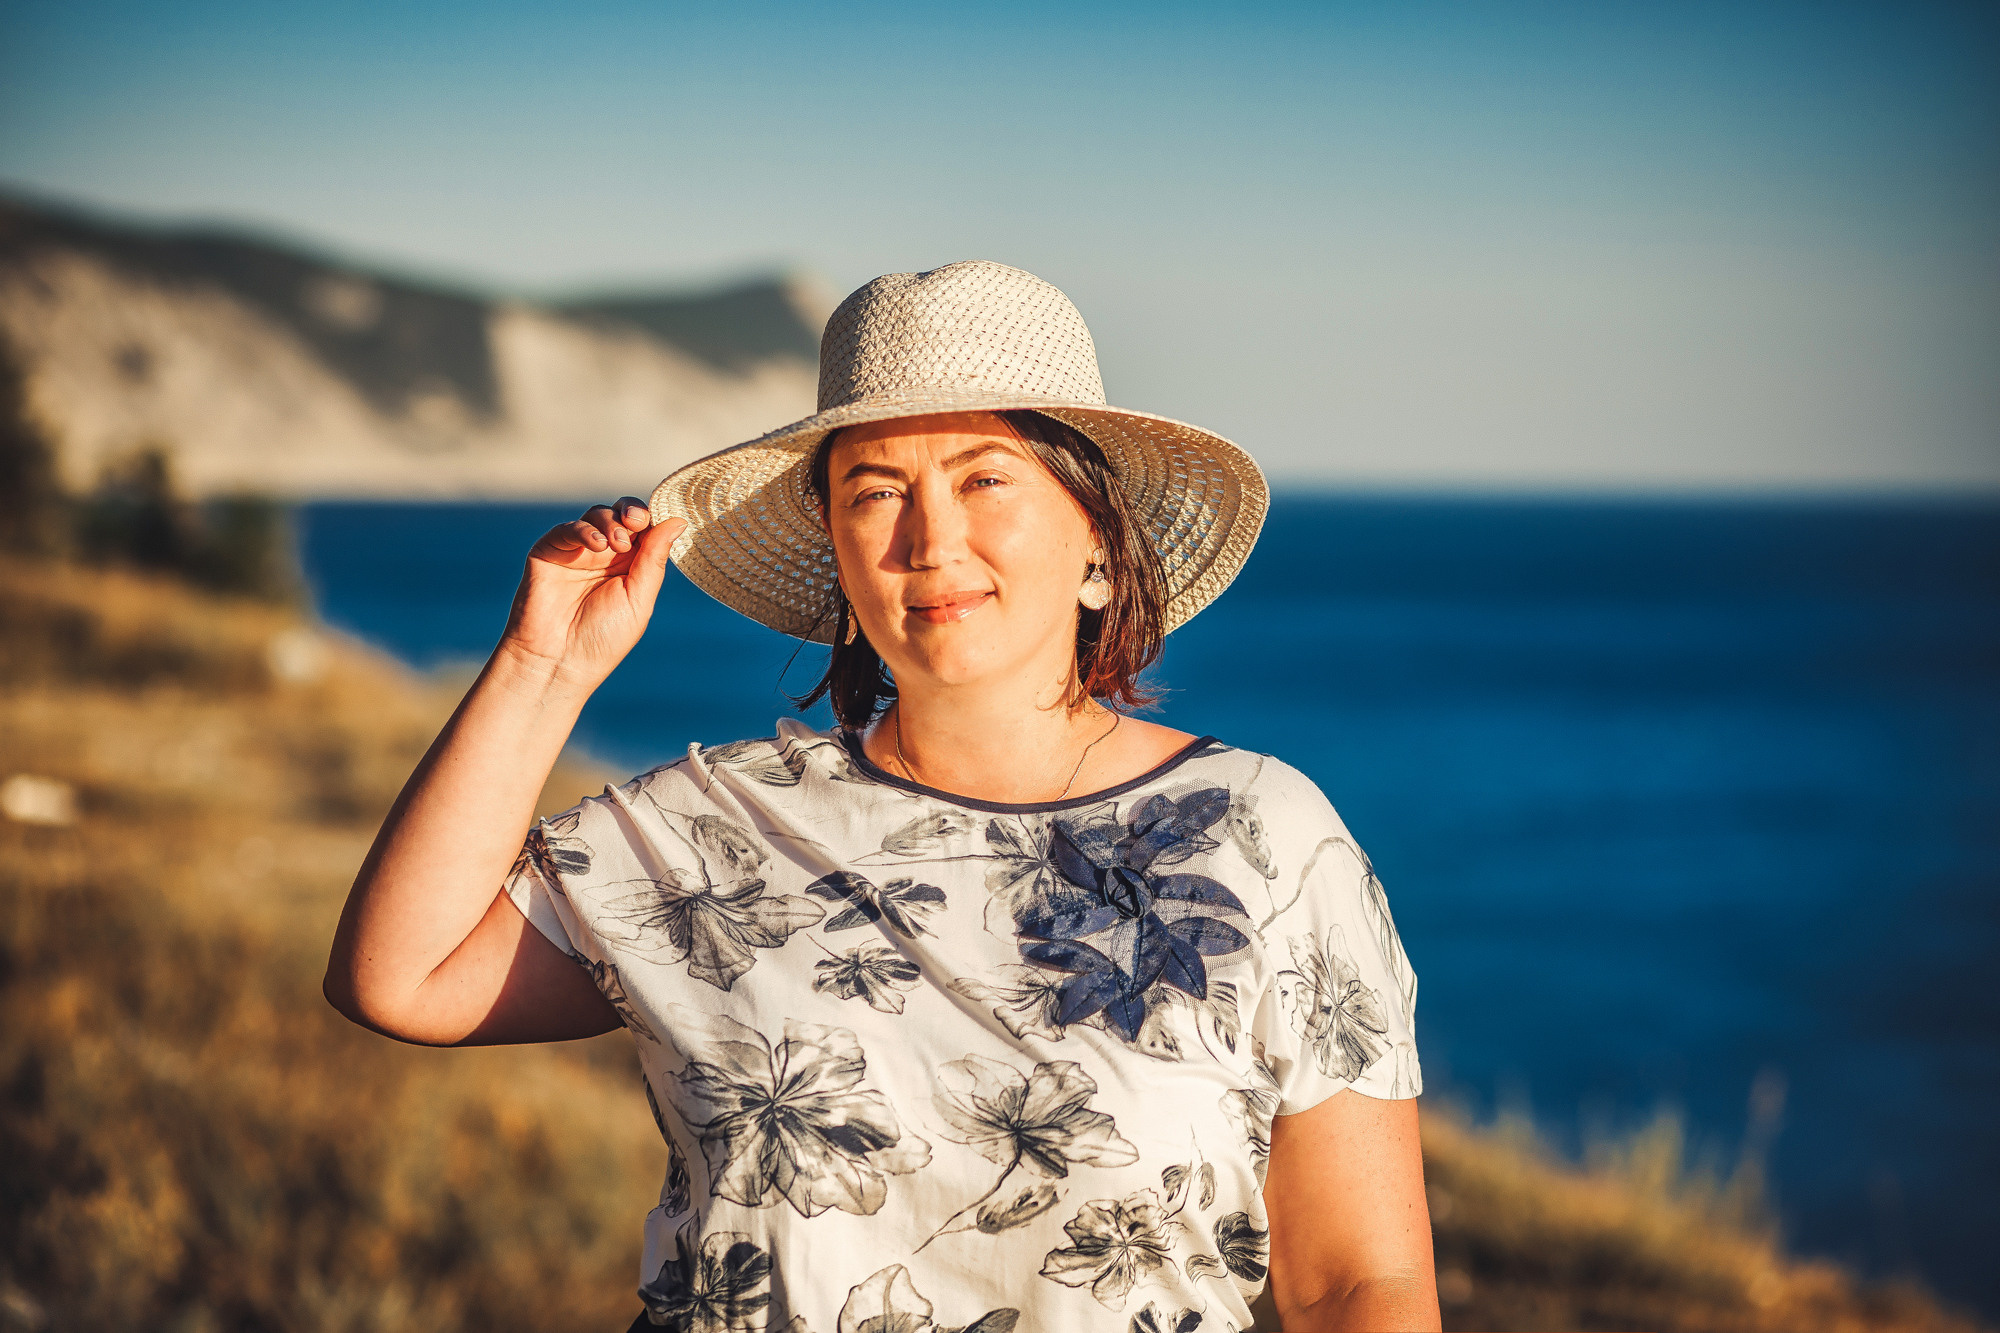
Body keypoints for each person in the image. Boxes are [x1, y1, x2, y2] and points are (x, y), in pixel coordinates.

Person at [325, 261, 1439, 1332]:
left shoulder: (1265, 839)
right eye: (876, 492)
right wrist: (542, 667)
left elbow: (1359, 1280)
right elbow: (399, 976)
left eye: (984, 478)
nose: (930, 539)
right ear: (839, 557)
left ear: (1095, 534)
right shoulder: (710, 835)